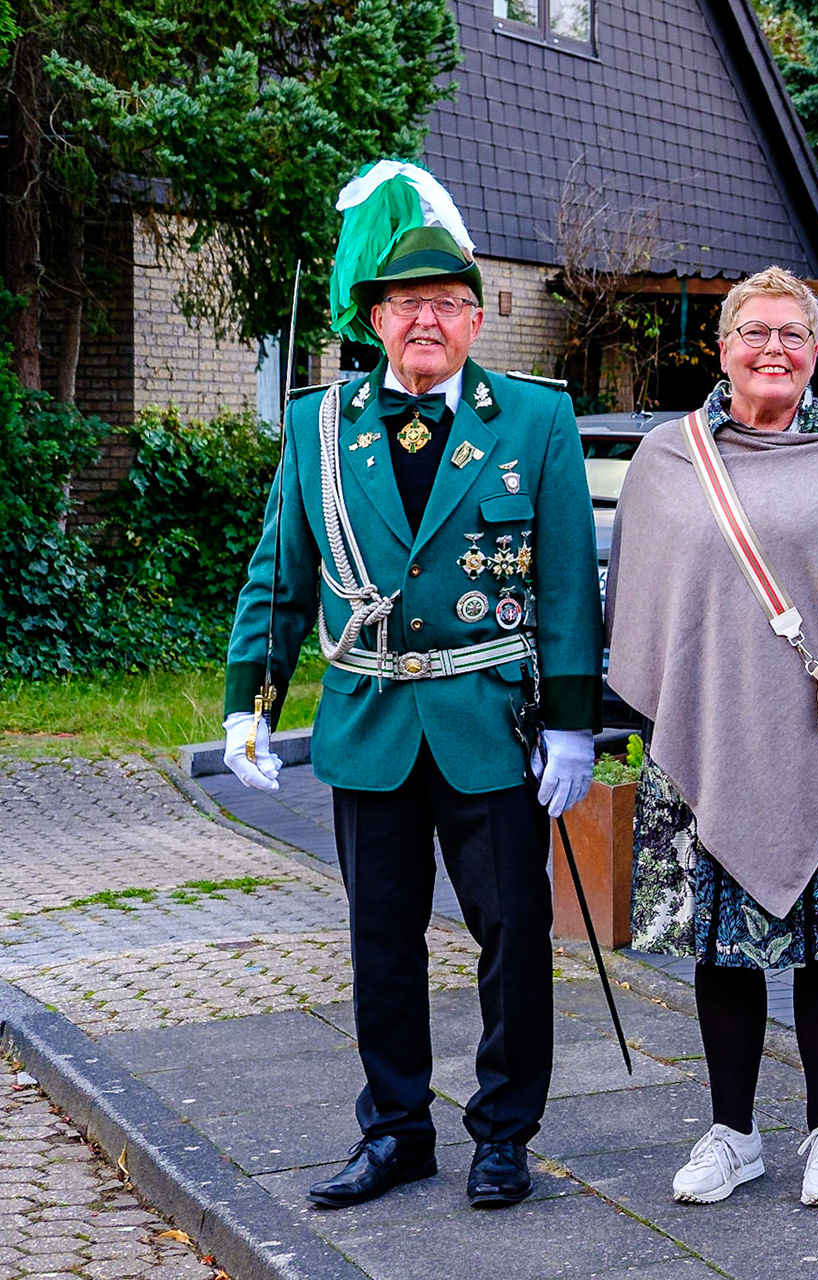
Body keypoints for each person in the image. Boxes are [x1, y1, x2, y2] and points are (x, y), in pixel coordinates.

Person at [221, 160, 602, 1210]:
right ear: (375, 316)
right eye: (405, 303)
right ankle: (395, 1131)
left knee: (515, 940)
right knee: (381, 944)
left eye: (446, 302)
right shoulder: (318, 427)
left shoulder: (534, 420)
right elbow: (280, 577)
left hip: (491, 722)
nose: (424, 319)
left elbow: (570, 582)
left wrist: (574, 724)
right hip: (372, 720)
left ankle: (503, 1132)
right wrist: (247, 703)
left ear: (476, 319)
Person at [603, 266, 818, 1208]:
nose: (773, 348)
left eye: (793, 333)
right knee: (722, 948)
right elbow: (640, 596)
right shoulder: (670, 458)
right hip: (707, 733)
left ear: (816, 352)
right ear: (723, 345)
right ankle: (731, 1134)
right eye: (755, 332)